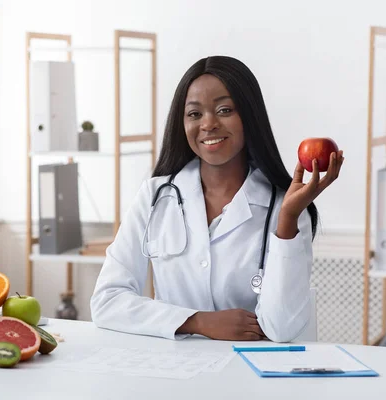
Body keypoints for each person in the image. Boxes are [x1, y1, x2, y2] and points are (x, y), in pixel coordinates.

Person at [90, 56, 344, 343]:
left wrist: (287, 220)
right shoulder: (155, 196)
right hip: (174, 371)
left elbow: (281, 328)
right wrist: (197, 321)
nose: (208, 124)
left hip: (250, 374)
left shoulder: (285, 207)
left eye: (224, 110)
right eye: (195, 114)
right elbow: (107, 301)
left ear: (249, 116)